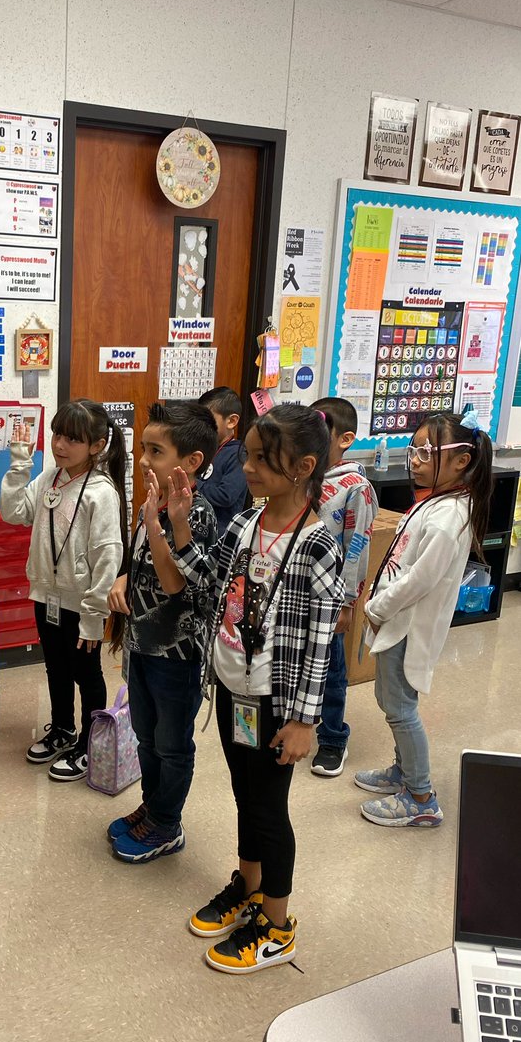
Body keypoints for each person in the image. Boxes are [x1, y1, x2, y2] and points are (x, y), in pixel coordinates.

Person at [169, 404, 343, 973]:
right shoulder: (246, 524)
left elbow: (321, 642)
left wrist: (304, 720)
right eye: (245, 455)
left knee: (270, 808)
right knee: (245, 795)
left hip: (277, 700)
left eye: (263, 460)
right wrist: (172, 524)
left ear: (304, 467)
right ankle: (247, 884)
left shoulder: (317, 543)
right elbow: (203, 577)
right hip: (232, 685)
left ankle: (277, 923)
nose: (247, 468)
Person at [355, 409, 493, 828]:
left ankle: (421, 795)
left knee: (400, 708)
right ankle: (403, 770)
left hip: (407, 627)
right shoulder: (436, 502)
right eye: (412, 449)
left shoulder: (450, 515)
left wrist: (377, 608)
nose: (414, 458)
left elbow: (421, 578)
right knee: (390, 700)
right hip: (396, 621)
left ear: (460, 461)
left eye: (425, 451)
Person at [106, 401, 218, 862]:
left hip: (179, 658)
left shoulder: (197, 514)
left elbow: (175, 583)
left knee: (172, 743)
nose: (144, 460)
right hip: (142, 646)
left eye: (155, 450)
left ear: (190, 462)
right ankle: (154, 808)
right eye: (143, 449)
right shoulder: (152, 502)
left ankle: (168, 823)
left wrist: (155, 523)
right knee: (146, 735)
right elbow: (144, 564)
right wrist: (122, 578)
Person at [0, 399, 127, 781]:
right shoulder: (51, 478)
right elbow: (14, 513)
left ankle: (90, 742)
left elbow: (108, 557)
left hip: (82, 603)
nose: (59, 444)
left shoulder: (101, 491)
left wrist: (93, 618)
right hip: (46, 596)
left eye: (72, 439)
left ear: (97, 445)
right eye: (57, 434)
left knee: (86, 673)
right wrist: (20, 465)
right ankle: (62, 729)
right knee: (55, 667)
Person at [308, 397, 379, 777]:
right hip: (299, 590)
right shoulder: (306, 474)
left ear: (345, 438)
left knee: (332, 668)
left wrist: (348, 602)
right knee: (301, 662)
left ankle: (334, 738)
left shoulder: (356, 487)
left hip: (333, 595)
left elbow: (358, 547)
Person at [197, 385, 249, 533]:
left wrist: (193, 484)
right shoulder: (204, 449)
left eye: (208, 420)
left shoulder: (239, 453)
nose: (202, 426)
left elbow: (226, 496)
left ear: (231, 421)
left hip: (221, 535)